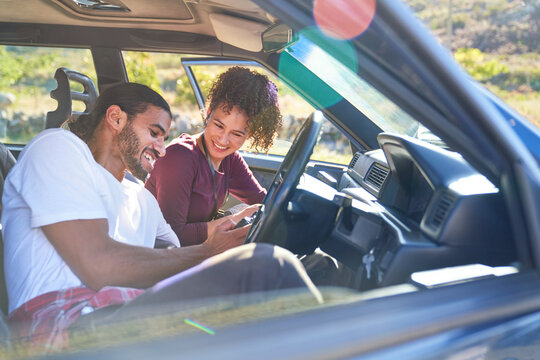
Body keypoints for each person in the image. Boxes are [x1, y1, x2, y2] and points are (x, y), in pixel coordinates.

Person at [1, 83, 321, 347]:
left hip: (122, 313)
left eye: (164, 137)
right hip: (64, 330)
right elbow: (98, 265)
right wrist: (209, 251)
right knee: (268, 266)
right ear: (115, 118)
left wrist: (225, 241)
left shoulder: (140, 197)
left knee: (317, 268)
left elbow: (175, 258)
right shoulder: (58, 149)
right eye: (154, 132)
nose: (162, 148)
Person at [146, 67, 282, 246]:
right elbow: (170, 238)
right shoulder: (179, 158)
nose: (223, 140)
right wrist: (237, 218)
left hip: (192, 253)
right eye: (219, 125)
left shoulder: (229, 160)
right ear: (208, 112)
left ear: (249, 134)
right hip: (162, 257)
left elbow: (262, 199)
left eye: (236, 134)